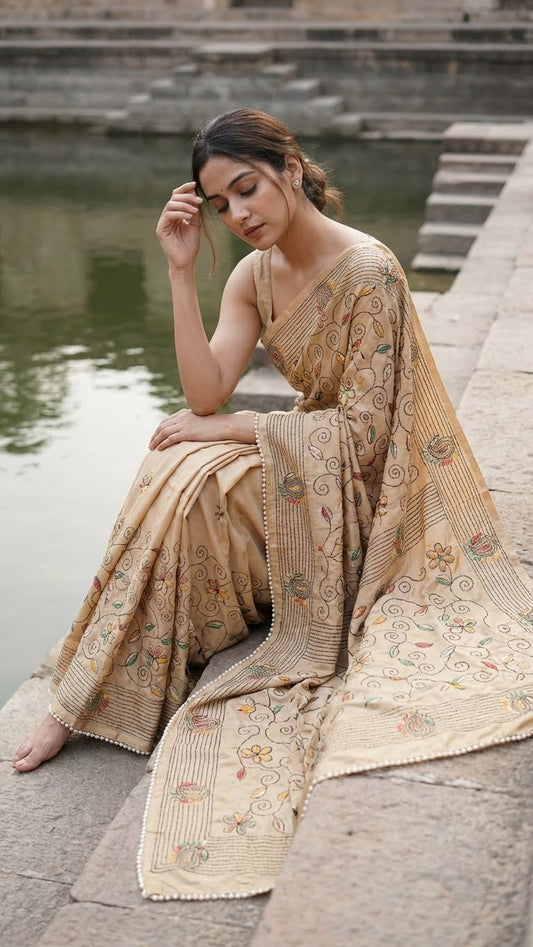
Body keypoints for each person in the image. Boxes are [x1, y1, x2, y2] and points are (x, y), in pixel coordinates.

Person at [12, 109, 533, 901]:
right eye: (220, 204)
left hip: (363, 496)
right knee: (178, 465)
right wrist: (180, 271)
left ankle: (100, 685)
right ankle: (94, 689)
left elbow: (362, 436)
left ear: (290, 168)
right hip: (307, 464)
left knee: (196, 474)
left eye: (247, 188)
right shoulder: (251, 274)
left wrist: (240, 426)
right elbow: (204, 390)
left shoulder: (369, 272)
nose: (239, 213)